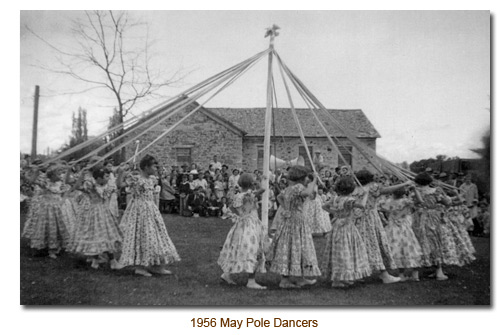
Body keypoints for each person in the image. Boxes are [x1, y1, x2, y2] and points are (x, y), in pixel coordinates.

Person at [117, 155, 180, 277]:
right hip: (139, 211)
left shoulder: (152, 179)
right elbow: (120, 185)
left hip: (151, 210)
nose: (156, 168)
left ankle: (156, 265)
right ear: (146, 167)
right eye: (154, 166)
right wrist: (120, 173)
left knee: (156, 236)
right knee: (141, 236)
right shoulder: (136, 178)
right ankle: (140, 267)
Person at [352, 169, 413, 284]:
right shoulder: (372, 187)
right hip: (370, 219)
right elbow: (387, 190)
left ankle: (359, 274)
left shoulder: (356, 189)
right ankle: (384, 275)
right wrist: (405, 183)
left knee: (360, 245)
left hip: (356, 220)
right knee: (376, 244)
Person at [268, 166, 321, 289]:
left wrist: (287, 208)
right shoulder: (299, 187)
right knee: (298, 247)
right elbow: (307, 193)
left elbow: (279, 197)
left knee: (288, 247)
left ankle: (297, 278)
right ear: (302, 177)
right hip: (297, 222)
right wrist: (314, 181)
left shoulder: (289, 188)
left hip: (289, 221)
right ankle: (288, 280)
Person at [218, 173, 268, 289]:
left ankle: (227, 274)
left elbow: (233, 209)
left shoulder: (237, 196)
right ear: (251, 183)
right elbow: (263, 189)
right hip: (250, 224)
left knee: (237, 249)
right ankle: (251, 281)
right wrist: (259, 181)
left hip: (240, 225)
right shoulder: (249, 195)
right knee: (253, 250)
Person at [321, 177, 372, 287]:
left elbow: (324, 206)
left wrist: (335, 213)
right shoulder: (349, 200)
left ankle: (341, 277)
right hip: (347, 228)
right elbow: (362, 206)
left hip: (337, 226)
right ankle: (339, 280)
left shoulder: (336, 198)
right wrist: (366, 195)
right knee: (346, 250)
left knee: (338, 250)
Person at [68, 168, 123, 270]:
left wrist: (120, 173)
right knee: (96, 236)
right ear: (98, 178)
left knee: (107, 236)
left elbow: (118, 186)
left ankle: (108, 261)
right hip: (94, 213)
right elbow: (76, 187)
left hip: (104, 212)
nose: (108, 178)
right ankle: (102, 260)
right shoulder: (91, 185)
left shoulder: (107, 186)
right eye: (106, 176)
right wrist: (81, 176)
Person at [22, 164, 73, 259]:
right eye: (58, 173)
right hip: (46, 208)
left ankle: (57, 247)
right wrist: (37, 171)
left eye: (61, 173)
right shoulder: (46, 183)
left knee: (59, 226)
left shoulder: (60, 183)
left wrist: (63, 200)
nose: (61, 175)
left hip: (58, 208)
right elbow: (32, 181)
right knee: (48, 227)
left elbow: (67, 190)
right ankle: (48, 248)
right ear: (52, 175)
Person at [378, 187, 423, 282]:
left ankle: (401, 274)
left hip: (392, 228)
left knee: (398, 249)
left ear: (392, 193)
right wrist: (415, 189)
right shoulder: (406, 201)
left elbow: (379, 208)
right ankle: (415, 274)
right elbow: (419, 201)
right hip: (404, 227)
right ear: (404, 193)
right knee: (410, 248)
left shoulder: (388, 202)